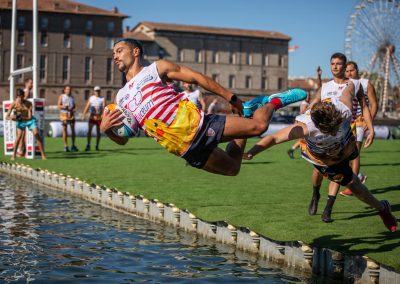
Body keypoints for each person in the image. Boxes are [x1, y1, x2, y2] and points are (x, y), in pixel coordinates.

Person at [100, 38, 307, 176]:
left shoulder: (156, 69)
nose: (115, 56)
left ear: (135, 51)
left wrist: (231, 97)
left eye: (119, 50)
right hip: (185, 150)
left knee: (260, 126)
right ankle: (247, 110)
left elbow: (196, 77)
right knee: (233, 168)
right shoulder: (121, 97)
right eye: (113, 53)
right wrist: (106, 129)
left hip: (199, 125)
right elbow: (124, 139)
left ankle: (274, 101)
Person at [243, 82, 397, 232]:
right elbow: (274, 138)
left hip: (343, 148)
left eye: (335, 127)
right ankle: (275, 102)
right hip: (321, 157)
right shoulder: (305, 127)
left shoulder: (344, 108)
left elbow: (353, 86)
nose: (333, 132)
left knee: (355, 186)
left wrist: (360, 98)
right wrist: (252, 152)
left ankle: (382, 208)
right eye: (329, 130)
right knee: (336, 179)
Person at [305, 52, 374, 222]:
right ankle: (315, 193)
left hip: (344, 134)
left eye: (339, 64)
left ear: (345, 66)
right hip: (323, 135)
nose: (335, 66)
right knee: (317, 170)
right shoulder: (325, 87)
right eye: (333, 63)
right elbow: (313, 106)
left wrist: (370, 128)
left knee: (338, 170)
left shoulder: (355, 84)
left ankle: (328, 209)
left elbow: (365, 107)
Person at [340, 61, 378, 196]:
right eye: (347, 71)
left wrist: (369, 122)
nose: (349, 73)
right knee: (344, 155)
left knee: (354, 152)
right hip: (346, 122)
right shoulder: (345, 85)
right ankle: (359, 177)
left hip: (360, 121)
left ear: (357, 70)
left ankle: (352, 186)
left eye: (352, 70)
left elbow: (373, 104)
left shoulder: (366, 84)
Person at [6, 89, 46, 160]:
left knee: (36, 134)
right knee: (19, 137)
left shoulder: (29, 103)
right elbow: (7, 116)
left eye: (21, 97)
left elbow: (30, 117)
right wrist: (12, 117)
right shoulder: (14, 104)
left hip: (29, 120)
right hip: (20, 121)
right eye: (19, 97)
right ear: (17, 96)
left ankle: (43, 155)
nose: (20, 99)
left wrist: (20, 117)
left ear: (23, 96)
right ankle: (14, 155)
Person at [82, 86, 105, 151]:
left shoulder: (102, 98)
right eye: (96, 91)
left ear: (100, 91)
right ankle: (88, 144)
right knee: (89, 131)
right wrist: (83, 114)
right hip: (92, 117)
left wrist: (104, 115)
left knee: (98, 132)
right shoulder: (91, 98)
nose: (97, 92)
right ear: (94, 91)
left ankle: (97, 145)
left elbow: (104, 108)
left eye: (98, 91)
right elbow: (87, 106)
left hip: (99, 118)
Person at [57, 85, 78, 152]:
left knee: (73, 130)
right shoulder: (62, 96)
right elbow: (58, 106)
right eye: (67, 89)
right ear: (64, 90)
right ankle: (65, 146)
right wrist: (64, 106)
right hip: (64, 115)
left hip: (71, 115)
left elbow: (74, 106)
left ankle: (73, 145)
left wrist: (74, 109)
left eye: (70, 89)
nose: (69, 90)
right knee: (65, 129)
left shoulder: (72, 97)